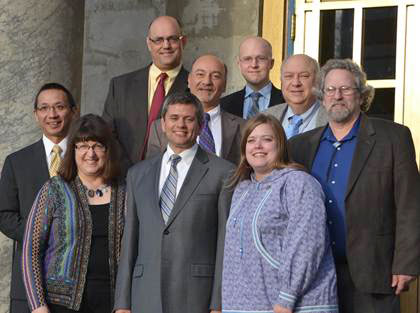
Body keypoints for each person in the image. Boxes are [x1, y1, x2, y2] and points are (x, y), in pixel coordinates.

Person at [288, 58, 420, 313]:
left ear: (361, 96)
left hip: (374, 271)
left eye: (346, 89)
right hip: (315, 274)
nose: (337, 96)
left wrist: (406, 263)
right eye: (330, 90)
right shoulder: (300, 146)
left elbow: (410, 206)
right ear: (322, 97)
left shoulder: (393, 138)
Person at [114, 91, 234, 313]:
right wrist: (122, 302)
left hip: (196, 295)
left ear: (200, 127)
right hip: (144, 295)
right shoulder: (137, 174)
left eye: (189, 119)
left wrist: (218, 303)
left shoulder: (223, 172)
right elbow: (130, 238)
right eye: (174, 118)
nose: (181, 124)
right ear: (163, 124)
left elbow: (225, 241)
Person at [223, 114, 337, 313]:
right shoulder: (242, 189)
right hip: (246, 306)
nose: (258, 145)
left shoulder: (298, 183)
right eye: (251, 140)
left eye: (267, 139)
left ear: (281, 146)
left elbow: (307, 243)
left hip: (295, 305)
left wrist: (287, 297)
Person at [22, 114, 126, 313]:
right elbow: (31, 251)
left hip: (111, 302)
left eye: (97, 146)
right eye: (83, 146)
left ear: (107, 150)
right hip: (60, 304)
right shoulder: (54, 189)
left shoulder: (124, 191)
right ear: (73, 150)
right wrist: (38, 305)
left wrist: (126, 302)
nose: (91, 153)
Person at [0, 83, 77, 313]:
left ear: (74, 111)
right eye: (44, 108)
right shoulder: (17, 162)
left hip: (74, 283)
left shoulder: (86, 156)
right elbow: (4, 214)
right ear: (36, 115)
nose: (52, 115)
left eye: (59, 107)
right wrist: (41, 235)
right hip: (26, 282)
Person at [103, 15, 189, 172]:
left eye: (172, 39)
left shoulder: (195, 87)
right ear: (149, 43)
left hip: (173, 179)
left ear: (183, 42)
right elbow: (108, 134)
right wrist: (133, 175)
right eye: (158, 40)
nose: (166, 45)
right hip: (124, 178)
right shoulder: (120, 86)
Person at [147, 54, 245, 164]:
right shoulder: (159, 127)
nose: (207, 82)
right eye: (200, 74)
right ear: (189, 80)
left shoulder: (243, 127)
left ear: (225, 84)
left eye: (215, 76)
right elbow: (152, 171)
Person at [221, 36, 284, 119]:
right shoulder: (223, 105)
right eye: (247, 59)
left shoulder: (286, 101)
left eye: (261, 58)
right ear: (239, 64)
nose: (254, 65)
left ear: (271, 63)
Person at [266, 54, 328, 139]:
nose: (296, 83)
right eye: (289, 76)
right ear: (281, 80)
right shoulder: (266, 116)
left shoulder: (332, 119)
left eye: (304, 76)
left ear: (318, 80)